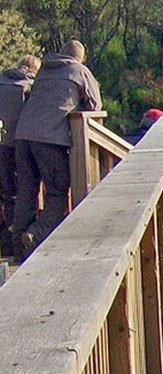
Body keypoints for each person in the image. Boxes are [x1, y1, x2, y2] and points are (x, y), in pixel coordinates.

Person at [12, 39, 102, 260]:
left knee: (26, 191)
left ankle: (17, 248)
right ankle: (36, 233)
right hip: (50, 138)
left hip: (23, 136)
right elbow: (95, 105)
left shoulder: (44, 70)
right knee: (58, 192)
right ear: (81, 58)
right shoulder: (79, 71)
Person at [0, 54, 40, 257]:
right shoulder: (30, 86)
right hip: (20, 144)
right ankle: (20, 243)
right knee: (23, 193)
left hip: (1, 142)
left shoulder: (1, 81)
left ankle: (5, 244)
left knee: (7, 195)